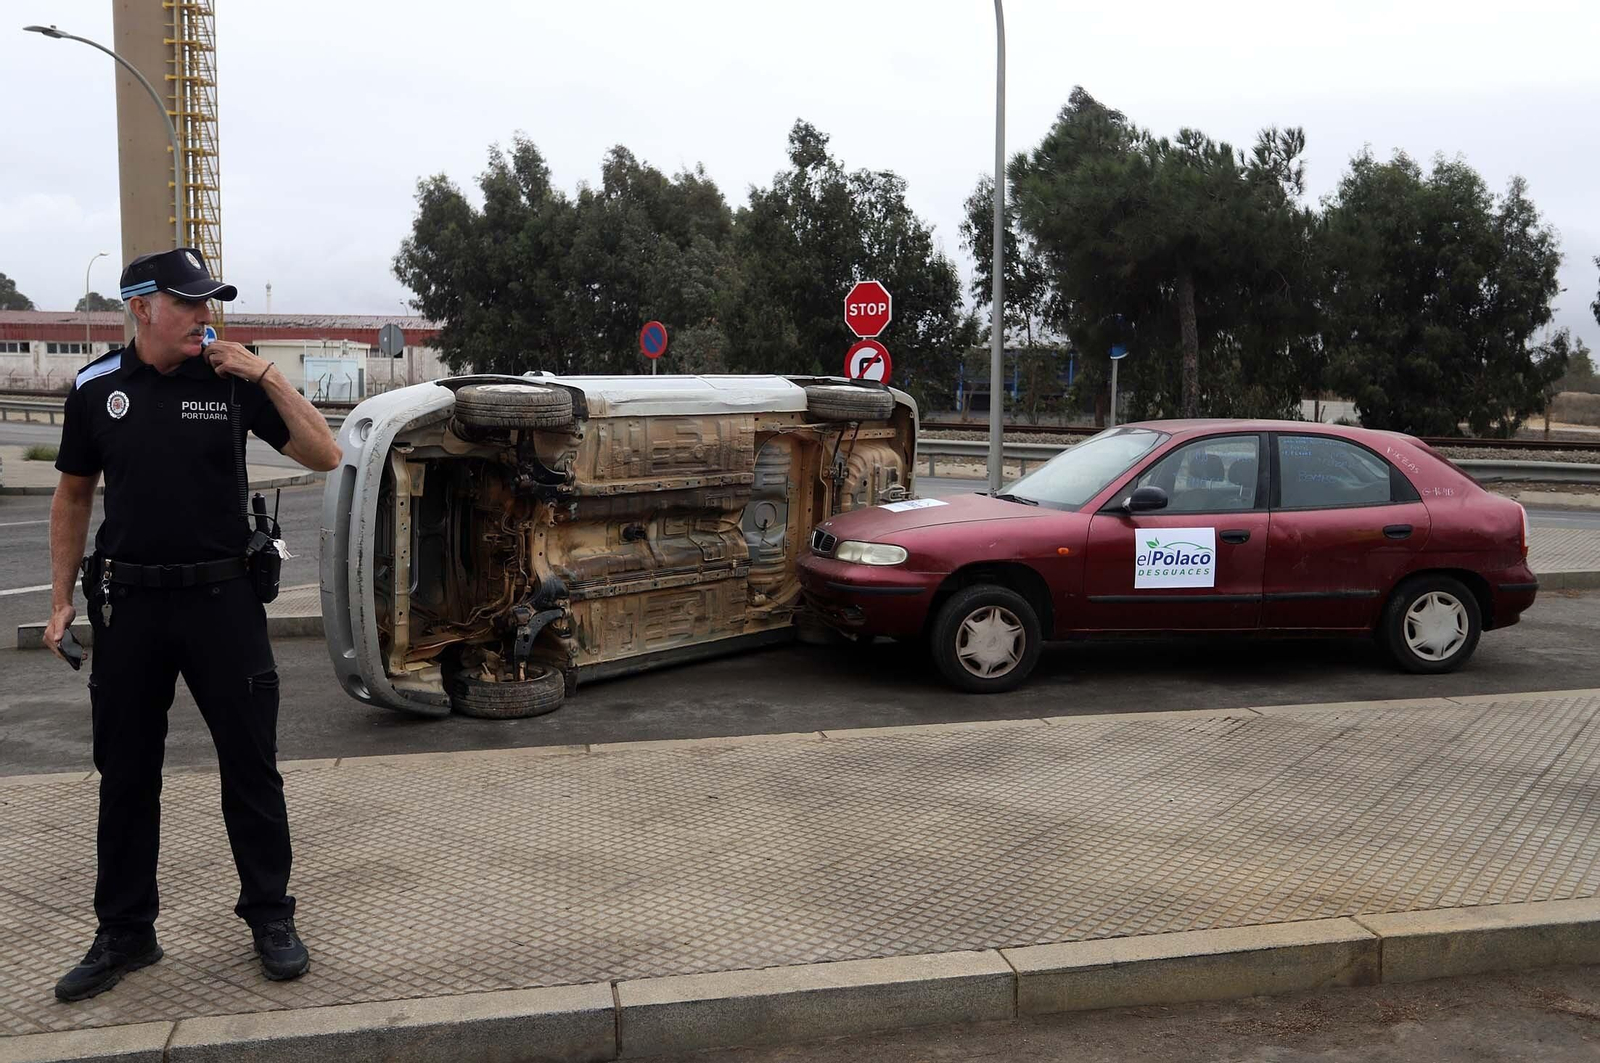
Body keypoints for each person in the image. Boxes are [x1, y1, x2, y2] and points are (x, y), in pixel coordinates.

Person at [43, 248, 342, 1002]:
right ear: (142, 306)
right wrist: (59, 602)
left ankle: (270, 916)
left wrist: (267, 373)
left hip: (224, 604)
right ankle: (126, 931)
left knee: (250, 768)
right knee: (126, 777)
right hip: (132, 606)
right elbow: (73, 496)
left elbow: (325, 452)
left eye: (210, 301)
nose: (206, 315)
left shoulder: (231, 380)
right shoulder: (96, 389)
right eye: (190, 302)